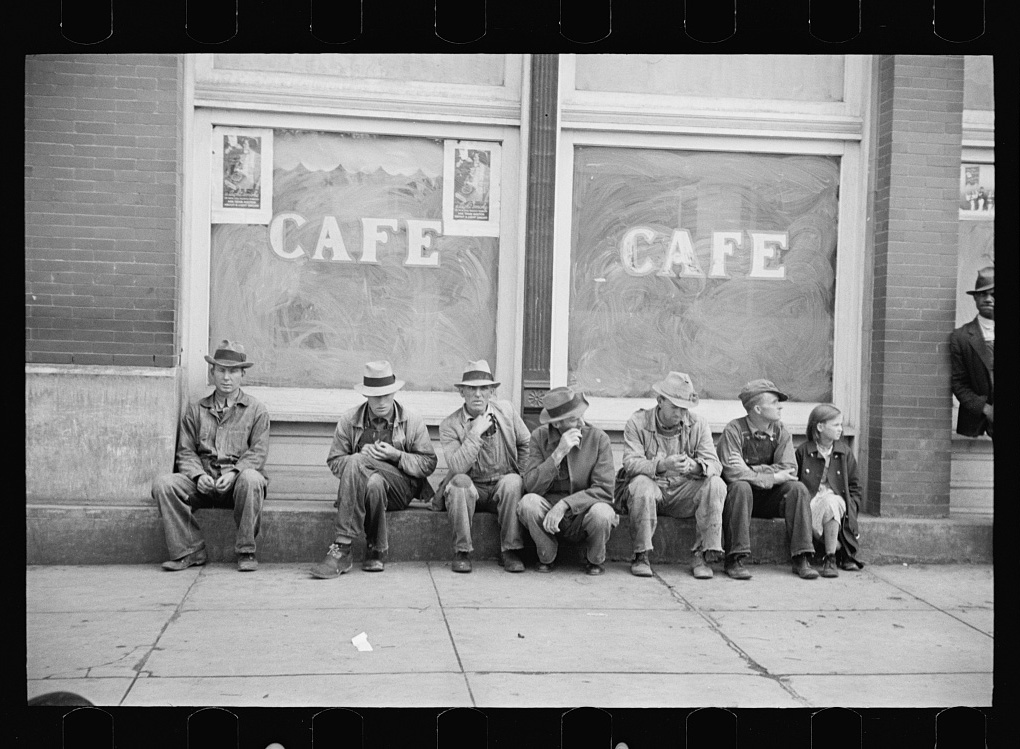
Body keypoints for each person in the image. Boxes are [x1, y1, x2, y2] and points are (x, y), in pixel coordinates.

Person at [310, 361, 437, 579]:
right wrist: (360, 461)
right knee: (373, 482)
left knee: (359, 462)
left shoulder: (411, 419)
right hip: (367, 492)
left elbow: (428, 463)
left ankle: (342, 546)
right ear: (365, 395)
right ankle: (376, 549)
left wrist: (396, 455)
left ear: (394, 392)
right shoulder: (350, 420)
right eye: (375, 396)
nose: (381, 402)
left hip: (401, 489)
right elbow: (334, 461)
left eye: (386, 395)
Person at [152, 341, 270, 572]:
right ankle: (190, 550)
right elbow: (185, 451)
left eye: (233, 371)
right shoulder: (196, 410)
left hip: (237, 487)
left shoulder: (256, 410)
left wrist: (235, 473)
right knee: (164, 484)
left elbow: (258, 452)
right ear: (212, 372)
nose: (227, 377)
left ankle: (246, 551)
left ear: (242, 374)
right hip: (203, 483)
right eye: (222, 371)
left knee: (253, 479)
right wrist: (197, 476)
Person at [615, 372, 726, 579]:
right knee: (640, 484)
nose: (680, 414)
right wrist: (661, 465)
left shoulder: (699, 424)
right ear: (659, 401)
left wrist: (695, 467)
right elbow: (630, 463)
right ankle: (641, 555)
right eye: (675, 407)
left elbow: (715, 465)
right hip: (652, 488)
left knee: (716, 484)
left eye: (684, 408)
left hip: (683, 490)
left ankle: (702, 554)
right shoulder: (637, 422)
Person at [433, 360, 531, 573]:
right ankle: (462, 551)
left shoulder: (506, 411)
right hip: (472, 488)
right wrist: (475, 433)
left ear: (492, 392)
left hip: (500, 486)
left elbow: (526, 443)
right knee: (459, 483)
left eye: (483, 388)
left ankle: (510, 550)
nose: (478, 394)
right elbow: (457, 466)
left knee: (514, 482)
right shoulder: (449, 425)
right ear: (462, 392)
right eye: (471, 388)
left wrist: (522, 474)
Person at [717, 379, 818, 580]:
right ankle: (734, 558)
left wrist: (751, 471)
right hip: (740, 502)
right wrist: (772, 475)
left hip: (771, 498)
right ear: (757, 409)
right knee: (740, 487)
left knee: (797, 488)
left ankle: (801, 557)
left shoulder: (781, 431)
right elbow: (731, 472)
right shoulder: (734, 430)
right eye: (773, 402)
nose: (780, 406)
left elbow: (789, 469)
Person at [517, 387, 618, 575]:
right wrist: (558, 454)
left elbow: (604, 490)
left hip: (583, 512)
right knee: (528, 503)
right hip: (549, 515)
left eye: (581, 415)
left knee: (603, 512)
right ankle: (547, 555)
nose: (581, 422)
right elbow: (530, 486)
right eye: (573, 419)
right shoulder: (539, 437)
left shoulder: (598, 438)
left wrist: (565, 504)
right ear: (556, 424)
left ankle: (594, 559)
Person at [794, 404, 864, 577]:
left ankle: (830, 558)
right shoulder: (804, 451)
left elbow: (855, 486)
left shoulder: (844, 452)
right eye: (836, 425)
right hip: (812, 500)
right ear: (820, 427)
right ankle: (838, 548)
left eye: (841, 425)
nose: (840, 429)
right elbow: (794, 483)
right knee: (815, 507)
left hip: (836, 500)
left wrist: (851, 506)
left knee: (831, 503)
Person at [950, 266, 994, 440]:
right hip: (977, 424)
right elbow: (958, 383)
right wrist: (985, 409)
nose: (989, 299)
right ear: (975, 298)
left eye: (994, 294)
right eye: (983, 294)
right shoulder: (961, 337)